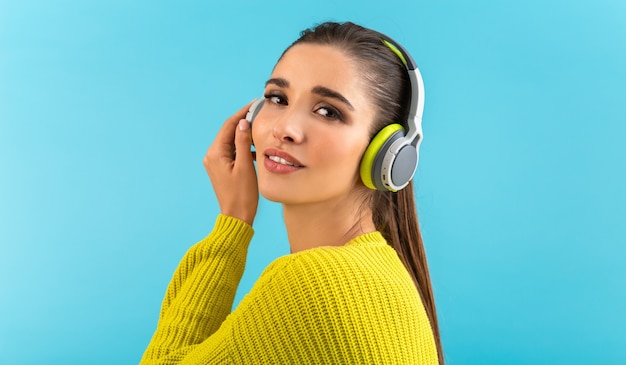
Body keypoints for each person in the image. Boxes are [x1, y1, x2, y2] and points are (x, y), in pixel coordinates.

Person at [140, 21, 443, 364]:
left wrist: (233, 222)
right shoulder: (377, 270)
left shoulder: (315, 283)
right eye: (277, 98)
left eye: (328, 112)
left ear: (387, 153)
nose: (285, 128)